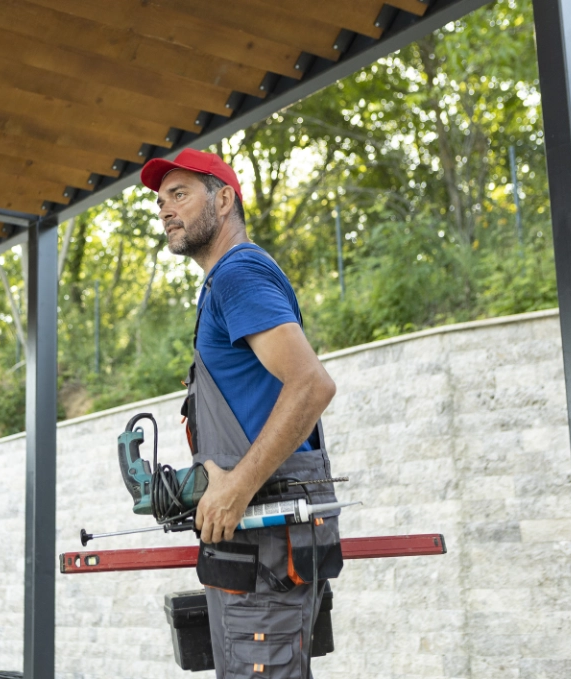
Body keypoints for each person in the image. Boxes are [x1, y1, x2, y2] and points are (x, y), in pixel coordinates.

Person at [141, 148, 342, 679]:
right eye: (161, 201)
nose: (165, 209)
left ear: (224, 198)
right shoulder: (223, 284)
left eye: (179, 194)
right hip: (252, 547)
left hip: (266, 544)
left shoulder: (239, 273)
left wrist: (235, 487)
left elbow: (311, 385)